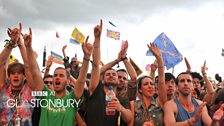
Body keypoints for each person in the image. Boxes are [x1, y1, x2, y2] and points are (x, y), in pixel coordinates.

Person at [24, 26, 93, 126]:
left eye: (61, 75)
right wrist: (28, 47)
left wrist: (86, 57)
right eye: (55, 75)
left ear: (68, 81)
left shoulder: (72, 99)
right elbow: (35, 73)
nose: (57, 77)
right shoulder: (45, 96)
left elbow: (81, 81)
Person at [86, 19, 132, 126]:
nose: (111, 75)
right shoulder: (95, 90)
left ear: (118, 79)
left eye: (114, 74)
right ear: (102, 79)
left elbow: (129, 118)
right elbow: (96, 65)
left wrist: (120, 108)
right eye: (108, 74)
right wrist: (97, 39)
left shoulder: (121, 98)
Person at [129, 43, 167, 126]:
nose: (150, 86)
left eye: (152, 84)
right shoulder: (133, 104)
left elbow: (161, 82)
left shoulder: (160, 102)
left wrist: (160, 58)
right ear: (140, 89)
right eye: (146, 84)